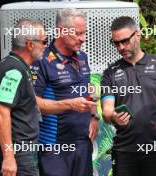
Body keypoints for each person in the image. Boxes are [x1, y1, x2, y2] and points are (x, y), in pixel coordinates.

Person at [100, 16, 156, 176]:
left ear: (137, 35)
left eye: (125, 41)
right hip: (124, 151)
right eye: (116, 43)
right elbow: (106, 111)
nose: (121, 47)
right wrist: (113, 117)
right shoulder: (110, 72)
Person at [31, 8, 98, 176]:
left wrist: (94, 116)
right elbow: (34, 103)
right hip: (55, 145)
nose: (83, 39)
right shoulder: (41, 60)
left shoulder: (82, 57)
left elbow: (87, 88)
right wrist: (69, 104)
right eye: (78, 33)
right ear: (61, 30)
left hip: (83, 143)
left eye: (84, 33)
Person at [0, 19, 47, 176]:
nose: (46, 46)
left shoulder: (7, 64)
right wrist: (9, 157)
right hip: (17, 156)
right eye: (44, 41)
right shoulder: (15, 70)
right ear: (30, 45)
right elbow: (0, 113)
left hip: (15, 154)